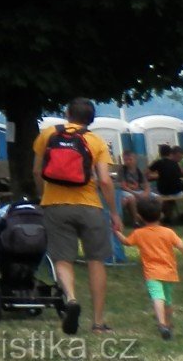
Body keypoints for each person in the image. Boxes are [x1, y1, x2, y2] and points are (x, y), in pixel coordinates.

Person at [32, 98, 120, 336]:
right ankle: (98, 323)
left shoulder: (48, 134)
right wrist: (113, 211)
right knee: (96, 260)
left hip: (55, 205)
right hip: (89, 206)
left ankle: (71, 298)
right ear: (91, 118)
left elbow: (37, 171)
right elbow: (104, 180)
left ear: (67, 113)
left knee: (62, 259)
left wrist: (43, 196)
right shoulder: (96, 141)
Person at [126, 193, 183, 340]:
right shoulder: (168, 232)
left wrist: (117, 233)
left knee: (157, 297)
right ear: (161, 214)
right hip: (169, 273)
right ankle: (168, 324)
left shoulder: (138, 233)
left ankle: (162, 324)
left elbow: (126, 242)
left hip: (152, 273)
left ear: (139, 216)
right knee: (168, 300)